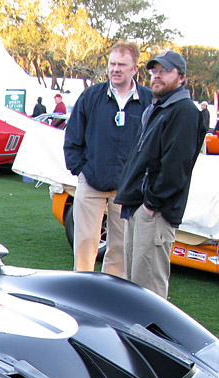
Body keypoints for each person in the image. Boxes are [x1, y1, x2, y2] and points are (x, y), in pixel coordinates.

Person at [115, 50, 209, 299]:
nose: (157, 75)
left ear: (181, 77)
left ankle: (150, 338)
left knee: (149, 293)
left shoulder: (184, 111)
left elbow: (176, 168)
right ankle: (134, 337)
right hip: (139, 207)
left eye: (165, 71)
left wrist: (151, 204)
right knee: (134, 286)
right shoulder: (159, 108)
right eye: (154, 70)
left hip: (154, 213)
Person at [62, 41, 152, 276]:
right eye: (112, 64)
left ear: (135, 69)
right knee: (84, 245)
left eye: (122, 64)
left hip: (128, 189)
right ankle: (82, 292)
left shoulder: (148, 101)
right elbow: (72, 137)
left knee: (120, 249)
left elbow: (154, 145)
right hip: (91, 183)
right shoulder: (91, 96)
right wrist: (81, 170)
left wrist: (140, 180)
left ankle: (109, 298)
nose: (115, 69)